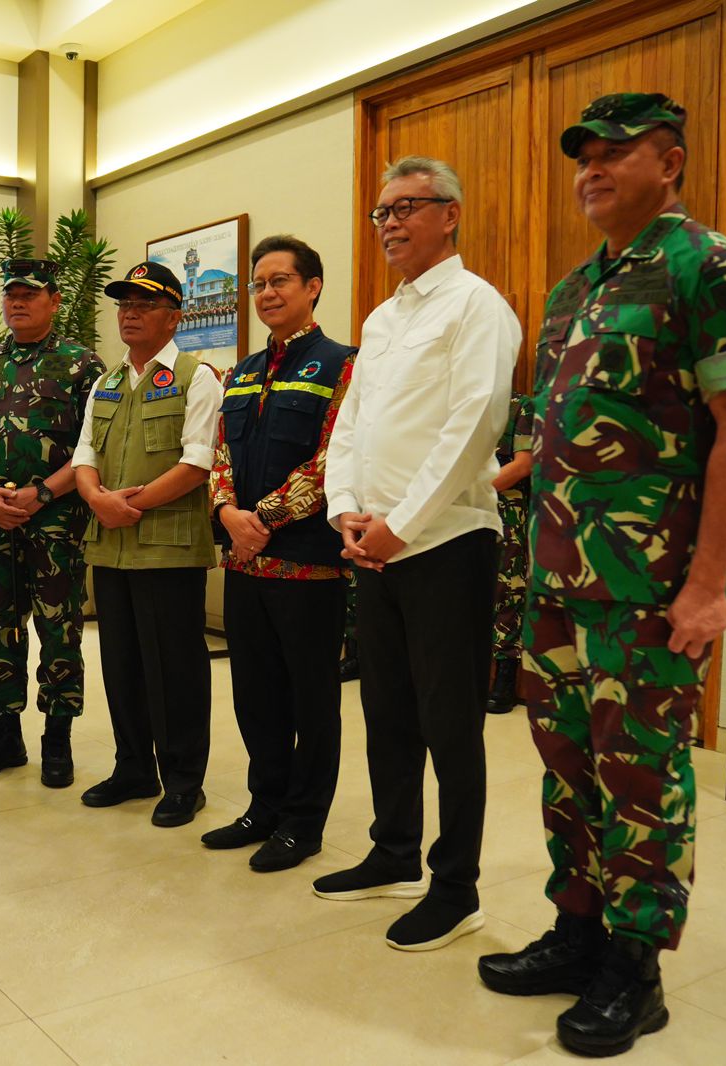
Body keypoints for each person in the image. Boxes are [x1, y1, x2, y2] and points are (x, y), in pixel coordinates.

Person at [478, 93, 726, 1058]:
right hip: (559, 580)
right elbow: (548, 436)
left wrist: (707, 586)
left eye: (616, 151)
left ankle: (636, 966)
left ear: (671, 161)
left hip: (648, 587)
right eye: (584, 155)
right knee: (566, 766)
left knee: (639, 773)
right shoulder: (575, 289)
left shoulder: (709, 266)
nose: (592, 168)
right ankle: (579, 929)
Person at [319, 156, 519, 950]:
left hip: (446, 543)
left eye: (409, 207)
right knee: (386, 709)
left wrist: (401, 521)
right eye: (382, 212)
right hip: (374, 545)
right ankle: (394, 851)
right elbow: (353, 425)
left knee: (450, 722)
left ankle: (456, 886)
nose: (392, 223)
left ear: (451, 215)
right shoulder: (381, 318)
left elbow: (475, 425)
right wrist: (343, 511)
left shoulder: (477, 306)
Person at [204, 235, 355, 870]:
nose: (267, 293)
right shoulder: (239, 374)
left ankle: (303, 821)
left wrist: (261, 517)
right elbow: (220, 456)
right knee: (254, 693)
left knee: (310, 700)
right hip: (244, 564)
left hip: (309, 565)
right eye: (259, 284)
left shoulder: (345, 364)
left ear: (312, 286)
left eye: (280, 281)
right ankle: (264, 804)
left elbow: (337, 455)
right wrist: (227, 515)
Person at [74, 261, 222, 828]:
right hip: (110, 547)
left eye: (144, 305)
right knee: (123, 664)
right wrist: (98, 499)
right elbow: (85, 454)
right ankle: (133, 767)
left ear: (173, 316)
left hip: (167, 549)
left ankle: (184, 780)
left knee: (175, 668)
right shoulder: (106, 381)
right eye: (124, 304)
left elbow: (197, 461)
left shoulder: (195, 376)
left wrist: (128, 505)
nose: (129, 313)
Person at [0, 259, 103, 788]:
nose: (18, 302)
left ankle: (57, 737)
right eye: (11, 293)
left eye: (30, 294)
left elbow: (92, 447)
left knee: (59, 627)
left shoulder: (82, 365)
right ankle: (4, 732)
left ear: (54, 301)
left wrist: (42, 493)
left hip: (56, 521)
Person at [487, 391, 532, 713]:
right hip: (459, 512)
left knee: (506, 593)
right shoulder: (460, 400)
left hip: (506, 512)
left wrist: (468, 488)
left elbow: (523, 464)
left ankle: (505, 678)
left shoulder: (520, 406)